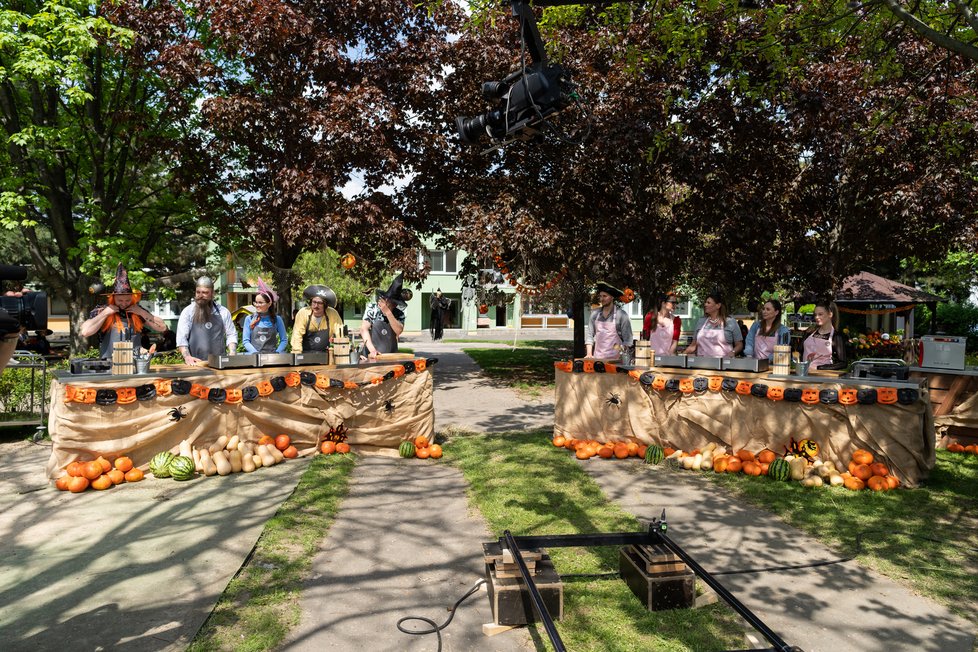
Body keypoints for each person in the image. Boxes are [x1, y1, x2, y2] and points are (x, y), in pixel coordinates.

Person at [80, 263, 167, 359]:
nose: (124, 303)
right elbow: (85, 332)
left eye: (127, 300)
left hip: (135, 363)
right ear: (113, 298)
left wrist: (142, 312)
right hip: (109, 363)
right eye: (120, 300)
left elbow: (162, 327)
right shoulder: (102, 310)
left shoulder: (137, 311)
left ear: (132, 298)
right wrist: (105, 313)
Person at [176, 276, 237, 365]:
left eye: (205, 292)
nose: (200, 295)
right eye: (198, 292)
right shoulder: (188, 312)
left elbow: (231, 334)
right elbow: (181, 338)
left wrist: (232, 352)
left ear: (212, 293)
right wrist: (187, 357)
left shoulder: (223, 312)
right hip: (195, 363)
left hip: (220, 363)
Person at [360, 273, 408, 361]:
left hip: (391, 356)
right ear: (385, 299)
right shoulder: (372, 308)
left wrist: (388, 312)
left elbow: (399, 331)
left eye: (395, 303)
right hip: (370, 355)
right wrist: (373, 351)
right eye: (392, 302)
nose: (393, 305)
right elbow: (364, 329)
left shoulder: (399, 314)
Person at [683, 291, 743, 358]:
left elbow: (739, 344)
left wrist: (733, 352)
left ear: (718, 305)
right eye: (705, 302)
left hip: (723, 363)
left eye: (708, 303)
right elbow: (693, 345)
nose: (705, 304)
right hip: (701, 363)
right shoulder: (701, 321)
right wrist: (682, 355)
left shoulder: (731, 322)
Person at [585, 281, 633, 361]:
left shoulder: (621, 315)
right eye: (600, 296)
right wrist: (589, 354)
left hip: (616, 362)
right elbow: (589, 336)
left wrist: (622, 354)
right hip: (597, 360)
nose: (602, 299)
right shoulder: (595, 314)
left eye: (605, 296)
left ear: (612, 297)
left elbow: (628, 341)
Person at [291, 285, 344, 353]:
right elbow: (297, 336)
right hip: (305, 355)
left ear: (325, 305)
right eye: (314, 302)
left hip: (326, 355)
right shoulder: (303, 313)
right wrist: (297, 356)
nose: (316, 306)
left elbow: (340, 335)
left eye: (319, 303)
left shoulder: (333, 314)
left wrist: (342, 352)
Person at [798, 300, 848, 370]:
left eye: (820, 314)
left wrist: (820, 368)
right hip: (804, 374)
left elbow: (843, 363)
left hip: (823, 377)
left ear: (830, 314)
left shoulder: (836, 336)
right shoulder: (809, 332)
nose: (816, 317)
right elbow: (799, 351)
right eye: (815, 314)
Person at [242, 279, 287, 354]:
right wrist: (255, 353)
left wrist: (277, 352)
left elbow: (284, 340)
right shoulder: (249, 319)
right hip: (254, 358)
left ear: (269, 304)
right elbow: (246, 341)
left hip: (272, 358)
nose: (257, 305)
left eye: (260, 303)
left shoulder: (277, 319)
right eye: (256, 302)